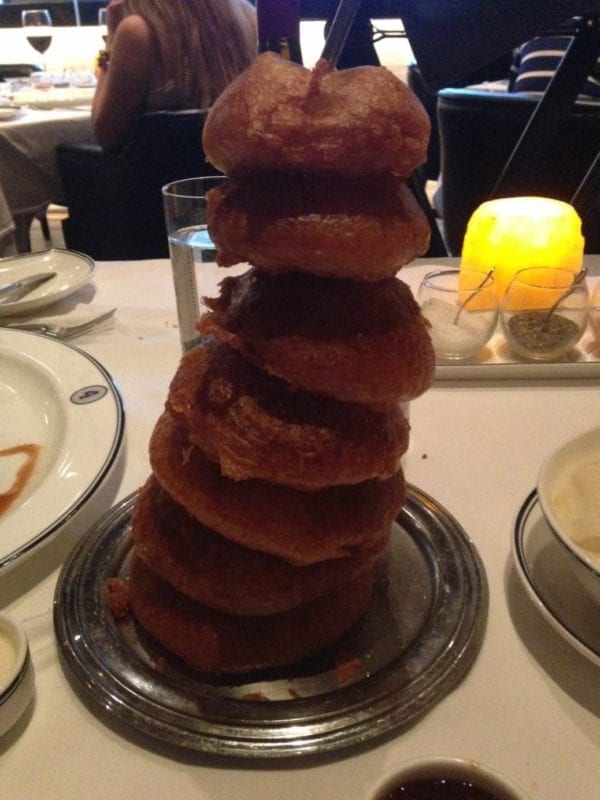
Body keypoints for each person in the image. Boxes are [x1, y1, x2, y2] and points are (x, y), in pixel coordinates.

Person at [92, 0, 257, 151]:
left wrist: (111, 40)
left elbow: (106, 136)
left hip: (160, 173)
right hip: (234, 171)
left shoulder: (138, 30)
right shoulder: (247, 15)